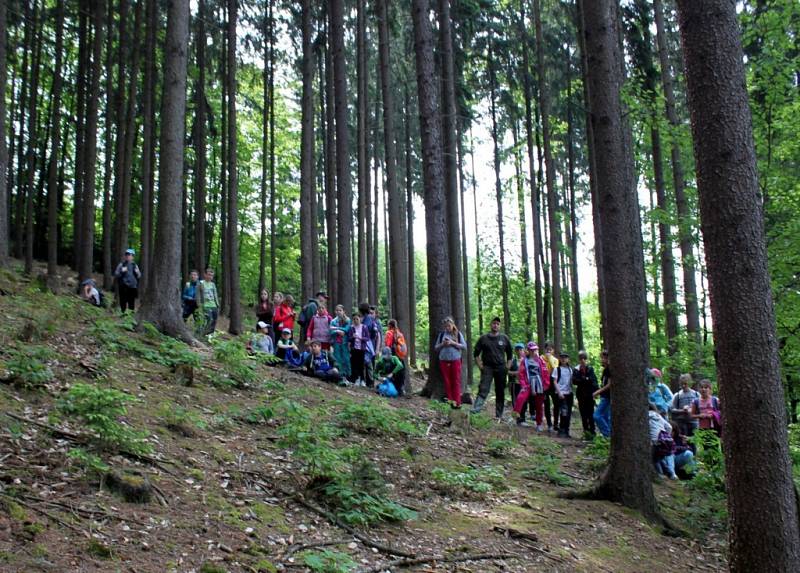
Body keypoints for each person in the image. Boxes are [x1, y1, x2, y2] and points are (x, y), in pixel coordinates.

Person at [471, 317, 512, 417]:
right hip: (487, 367)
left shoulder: (504, 338)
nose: (495, 325)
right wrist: (480, 365)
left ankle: (499, 414)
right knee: (483, 388)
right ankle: (476, 411)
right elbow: (476, 353)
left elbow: (510, 355)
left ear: (500, 326)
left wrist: (507, 367)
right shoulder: (483, 338)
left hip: (501, 368)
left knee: (500, 390)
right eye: (494, 323)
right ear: (491, 325)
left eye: (498, 324)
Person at [513, 342, 549, 430]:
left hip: (539, 383)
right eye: (532, 350)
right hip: (528, 383)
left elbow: (545, 373)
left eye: (535, 350)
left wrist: (545, 385)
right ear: (528, 350)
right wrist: (524, 385)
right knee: (520, 398)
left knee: (539, 404)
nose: (534, 352)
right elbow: (521, 374)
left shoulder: (541, 360)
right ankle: (514, 416)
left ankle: (539, 423)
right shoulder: (524, 361)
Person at [434, 317, 467, 408]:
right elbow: (436, 348)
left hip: (455, 360)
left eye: (449, 325)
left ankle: (457, 402)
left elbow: (464, 346)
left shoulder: (458, 334)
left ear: (452, 325)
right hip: (444, 361)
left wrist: (453, 343)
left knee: (455, 381)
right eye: (445, 326)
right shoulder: (441, 335)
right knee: (447, 382)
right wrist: (442, 344)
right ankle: (450, 402)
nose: (447, 327)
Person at [649, 403, 678, 480]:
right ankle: (671, 474)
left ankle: (660, 475)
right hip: (664, 441)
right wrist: (665, 435)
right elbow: (669, 427)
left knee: (654, 459)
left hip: (654, 441)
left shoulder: (646, 416)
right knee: (659, 458)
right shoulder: (659, 417)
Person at [573, 350, 599, 438]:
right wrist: (585, 379)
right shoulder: (576, 370)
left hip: (589, 395)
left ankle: (592, 431)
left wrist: (596, 391)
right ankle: (586, 432)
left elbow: (593, 380)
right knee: (583, 414)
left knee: (590, 414)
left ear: (586, 359)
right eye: (581, 359)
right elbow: (575, 381)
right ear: (579, 360)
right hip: (581, 395)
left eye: (584, 358)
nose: (583, 360)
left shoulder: (590, 369)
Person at [359, 303, 383, 387]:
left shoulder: (374, 322)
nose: (371, 314)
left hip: (371, 345)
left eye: (373, 313)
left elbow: (378, 336)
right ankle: (364, 381)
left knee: (370, 364)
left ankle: (370, 382)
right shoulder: (364, 319)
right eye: (370, 312)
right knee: (364, 363)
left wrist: (377, 349)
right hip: (364, 345)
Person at [552, 352, 575, 437]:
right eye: (562, 358)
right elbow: (554, 381)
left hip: (569, 393)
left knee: (568, 412)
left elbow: (572, 381)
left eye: (565, 357)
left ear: (568, 359)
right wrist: (559, 392)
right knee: (563, 412)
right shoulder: (557, 369)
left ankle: (566, 430)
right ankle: (561, 430)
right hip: (561, 393)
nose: (564, 359)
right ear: (560, 359)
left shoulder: (570, 369)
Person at [113, 248, 142, 313]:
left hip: (132, 286)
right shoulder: (121, 264)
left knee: (131, 302)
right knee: (123, 301)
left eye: (129, 254)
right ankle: (123, 314)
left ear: (133, 257)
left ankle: (130, 316)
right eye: (126, 254)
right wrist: (121, 271)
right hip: (123, 286)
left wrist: (137, 272)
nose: (127, 256)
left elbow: (139, 276)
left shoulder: (135, 265)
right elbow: (116, 274)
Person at [330, 305, 352, 380]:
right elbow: (331, 331)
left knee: (346, 358)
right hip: (336, 342)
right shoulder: (333, 321)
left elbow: (346, 329)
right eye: (337, 310)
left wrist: (336, 328)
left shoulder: (347, 320)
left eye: (340, 310)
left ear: (343, 311)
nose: (339, 312)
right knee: (337, 358)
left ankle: (348, 375)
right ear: (335, 311)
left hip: (345, 343)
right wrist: (338, 331)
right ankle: (338, 374)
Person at [592, 350, 612, 437]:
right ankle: (609, 436)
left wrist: (597, 392)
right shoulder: (605, 370)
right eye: (602, 358)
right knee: (605, 417)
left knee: (597, 415)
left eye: (604, 358)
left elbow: (609, 384)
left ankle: (607, 435)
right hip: (604, 397)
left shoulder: (609, 369)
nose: (602, 360)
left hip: (607, 397)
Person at [542, 342, 560, 431]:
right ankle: (549, 424)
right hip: (544, 383)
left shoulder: (555, 360)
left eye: (550, 349)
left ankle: (556, 423)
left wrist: (549, 359)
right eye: (547, 349)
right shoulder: (541, 358)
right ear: (544, 349)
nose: (548, 351)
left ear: (553, 350)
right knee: (546, 404)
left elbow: (554, 370)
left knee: (556, 403)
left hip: (553, 383)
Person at [349, 313, 371, 386]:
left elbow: (367, 338)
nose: (355, 320)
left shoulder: (364, 327)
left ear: (360, 319)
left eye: (357, 319)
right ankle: (356, 378)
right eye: (354, 319)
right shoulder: (352, 328)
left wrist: (361, 338)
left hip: (362, 349)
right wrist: (353, 337)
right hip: (354, 348)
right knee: (354, 364)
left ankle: (362, 379)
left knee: (361, 364)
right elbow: (349, 338)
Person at [197, 268, 220, 335]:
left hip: (214, 305)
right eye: (209, 275)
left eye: (211, 275)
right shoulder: (201, 283)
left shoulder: (213, 284)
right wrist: (199, 304)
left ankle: (210, 334)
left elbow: (215, 294)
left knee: (214, 321)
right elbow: (197, 295)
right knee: (209, 319)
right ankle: (202, 332)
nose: (210, 277)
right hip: (205, 305)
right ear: (205, 275)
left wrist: (217, 304)